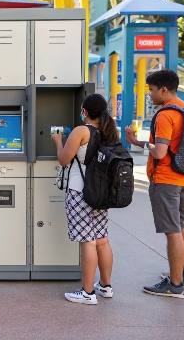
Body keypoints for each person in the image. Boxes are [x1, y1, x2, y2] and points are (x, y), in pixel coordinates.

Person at [125, 69, 184, 299]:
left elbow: (161, 151)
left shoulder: (165, 115)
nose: (150, 95)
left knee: (172, 231)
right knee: (180, 226)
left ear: (164, 89)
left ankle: (175, 286)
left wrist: (145, 145)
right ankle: (182, 274)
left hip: (166, 180)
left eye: (152, 90)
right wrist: (139, 141)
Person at [51, 93, 117, 305]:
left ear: (85, 111)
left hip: (80, 191)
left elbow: (63, 160)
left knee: (87, 242)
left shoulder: (82, 131)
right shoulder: (109, 130)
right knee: (102, 239)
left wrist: (58, 141)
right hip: (100, 192)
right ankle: (105, 287)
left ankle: (87, 292)